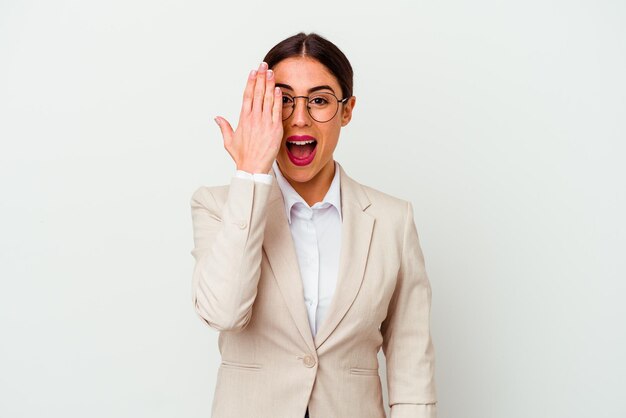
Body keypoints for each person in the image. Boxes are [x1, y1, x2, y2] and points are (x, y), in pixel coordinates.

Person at [190, 32, 437, 418]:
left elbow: (411, 363)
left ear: (347, 110)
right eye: (283, 102)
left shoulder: (393, 220)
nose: (300, 118)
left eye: (319, 100)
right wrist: (251, 175)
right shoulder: (218, 206)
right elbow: (223, 313)